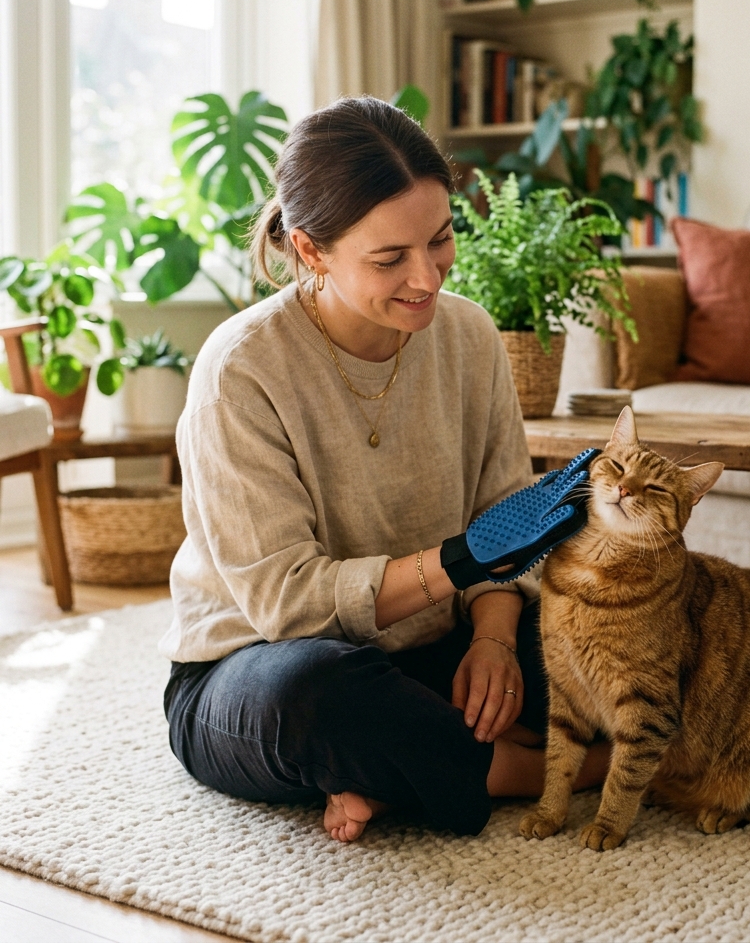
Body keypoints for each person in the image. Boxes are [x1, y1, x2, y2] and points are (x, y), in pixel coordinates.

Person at [160, 96, 609, 842]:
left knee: (613, 640)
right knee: (317, 699)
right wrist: (465, 563)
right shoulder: (240, 369)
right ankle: (554, 770)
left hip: (435, 646)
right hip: (256, 667)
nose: (427, 278)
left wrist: (495, 639)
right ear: (310, 251)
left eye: (440, 240)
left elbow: (502, 511)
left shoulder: (467, 335)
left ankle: (397, 775)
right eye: (389, 258)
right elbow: (289, 606)